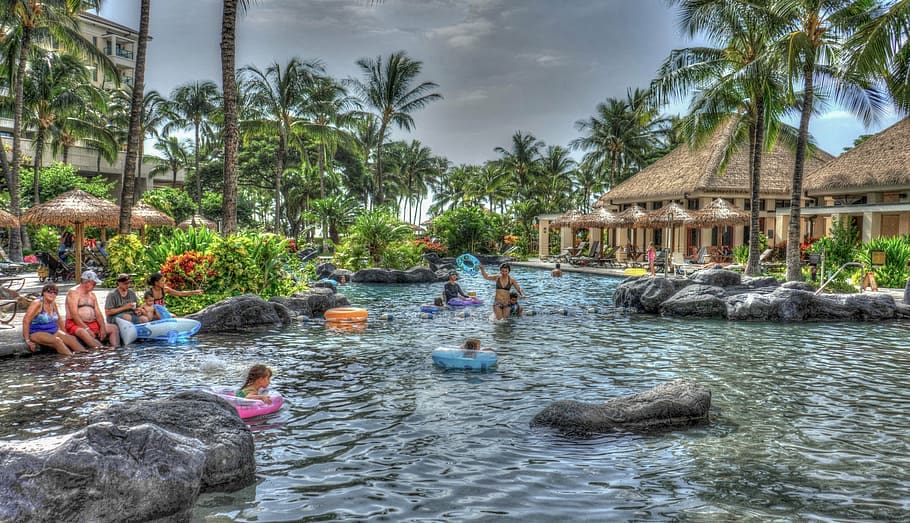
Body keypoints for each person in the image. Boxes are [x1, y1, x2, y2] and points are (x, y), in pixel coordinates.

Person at [23, 284, 87, 356]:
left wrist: (65, 332)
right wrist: (27, 340)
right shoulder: (37, 303)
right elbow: (26, 320)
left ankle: (84, 358)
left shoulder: (53, 303)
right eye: (50, 292)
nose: (52, 294)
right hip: (37, 332)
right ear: (43, 293)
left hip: (53, 331)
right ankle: (70, 360)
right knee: (57, 341)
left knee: (71, 339)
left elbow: (59, 319)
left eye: (55, 293)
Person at [65, 270, 119, 348]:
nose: (95, 286)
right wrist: (87, 329)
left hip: (92, 323)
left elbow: (98, 313)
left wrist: (102, 327)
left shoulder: (92, 295)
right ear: (87, 282)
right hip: (75, 324)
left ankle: (115, 349)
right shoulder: (73, 292)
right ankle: (101, 350)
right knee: (83, 332)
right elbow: (74, 315)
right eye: (94, 284)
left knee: (113, 328)